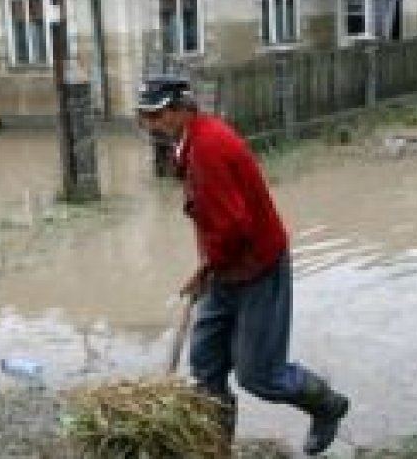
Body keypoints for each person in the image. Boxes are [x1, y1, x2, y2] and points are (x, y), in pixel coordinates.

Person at [135, 77, 350, 456]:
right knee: (205, 368)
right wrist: (209, 267)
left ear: (181, 109)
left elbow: (233, 226)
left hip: (257, 268)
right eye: (146, 116)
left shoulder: (208, 148)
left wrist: (208, 267)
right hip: (224, 268)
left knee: (260, 376)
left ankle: (327, 406)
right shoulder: (190, 144)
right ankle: (217, 448)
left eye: (157, 115)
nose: (152, 124)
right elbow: (212, 217)